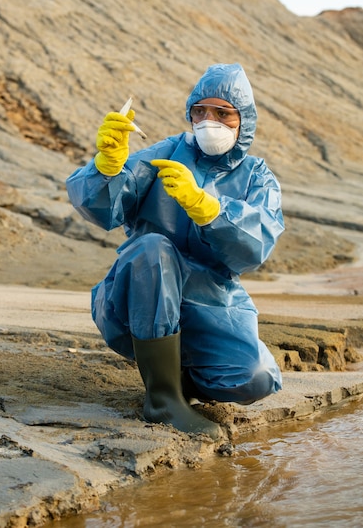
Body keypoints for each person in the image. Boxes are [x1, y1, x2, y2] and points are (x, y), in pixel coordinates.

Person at [66, 63, 284, 441]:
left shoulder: (256, 176)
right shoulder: (167, 151)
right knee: (152, 247)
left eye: (222, 113)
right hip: (141, 290)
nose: (208, 121)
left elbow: (256, 245)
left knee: (256, 377)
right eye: (200, 111)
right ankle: (163, 400)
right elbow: (102, 208)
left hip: (211, 300)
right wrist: (106, 167)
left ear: (242, 120)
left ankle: (178, 377)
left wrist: (210, 209)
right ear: (190, 113)